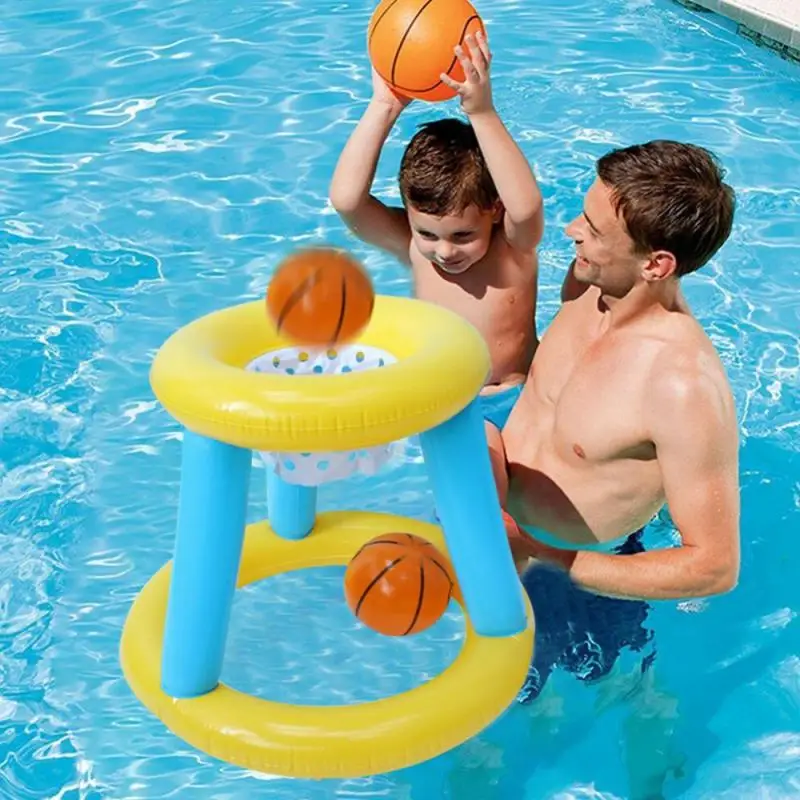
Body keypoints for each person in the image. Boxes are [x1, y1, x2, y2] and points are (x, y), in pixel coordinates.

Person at [492, 140, 740, 702]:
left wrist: (547, 558)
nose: (571, 232)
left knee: (569, 704)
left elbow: (714, 566)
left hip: (574, 572)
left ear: (656, 264)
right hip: (500, 530)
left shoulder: (680, 385)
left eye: (593, 229)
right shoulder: (590, 284)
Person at [329, 32, 545, 430]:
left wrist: (482, 113)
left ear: (495, 210)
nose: (444, 251)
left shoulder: (513, 249)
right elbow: (347, 202)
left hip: (513, 399)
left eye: (462, 236)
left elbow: (526, 206)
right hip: (444, 401)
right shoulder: (413, 246)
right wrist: (384, 106)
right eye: (428, 234)